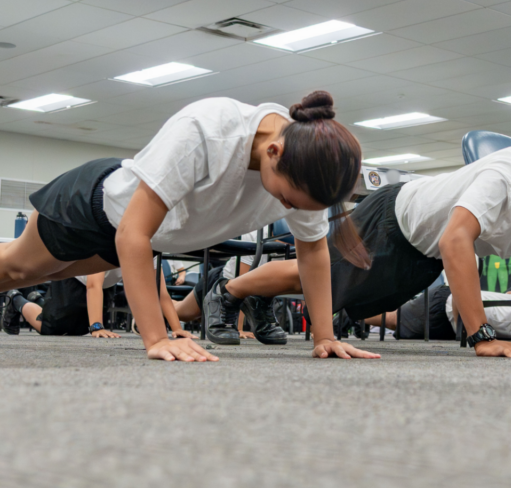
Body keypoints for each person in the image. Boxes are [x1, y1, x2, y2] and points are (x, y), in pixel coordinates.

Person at [211, 120, 511, 358]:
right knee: (317, 278)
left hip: (425, 250)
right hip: (395, 219)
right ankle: (226, 291)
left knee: (331, 293)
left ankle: (241, 296)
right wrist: (481, 336)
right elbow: (459, 238)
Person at [0, 91, 375, 363]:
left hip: (125, 237)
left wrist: (324, 337)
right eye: (288, 201)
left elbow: (312, 250)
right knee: (17, 270)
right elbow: (134, 231)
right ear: (274, 153)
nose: (291, 209)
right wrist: (157, 339)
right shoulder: (208, 129)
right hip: (90, 207)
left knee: (17, 276)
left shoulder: (307, 169)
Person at [0, 263, 186, 339]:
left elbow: (161, 294)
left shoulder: (150, 248)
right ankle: (16, 299)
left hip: (100, 287)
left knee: (77, 330)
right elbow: (92, 284)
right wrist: (96, 326)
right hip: (75, 278)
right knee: (51, 328)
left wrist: (177, 329)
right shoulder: (108, 238)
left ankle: (39, 300)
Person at [173, 232, 287, 345]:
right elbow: (243, 284)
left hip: (241, 288)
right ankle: (160, 301)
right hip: (220, 282)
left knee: (196, 316)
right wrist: (239, 329)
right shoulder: (254, 235)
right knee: (181, 313)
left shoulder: (293, 240)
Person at [363, 282, 511, 341]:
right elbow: (459, 295)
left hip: (458, 324)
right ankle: (352, 315)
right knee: (392, 320)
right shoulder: (501, 312)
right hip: (443, 305)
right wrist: (460, 335)